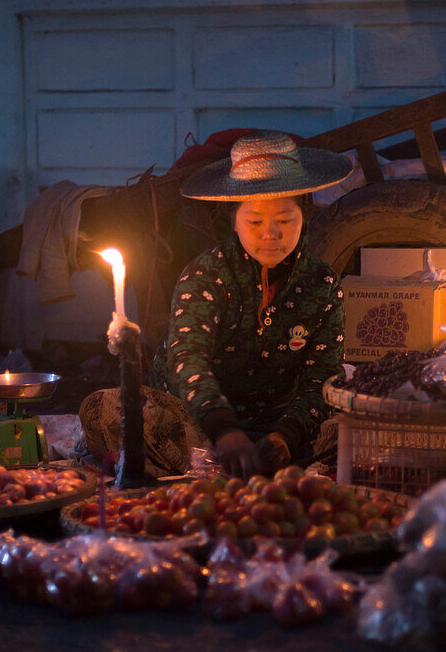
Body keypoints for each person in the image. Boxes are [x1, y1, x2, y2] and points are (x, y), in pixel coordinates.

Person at [151, 130, 353, 477]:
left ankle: (265, 464)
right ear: (233, 219)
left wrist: (286, 435)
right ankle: (210, 465)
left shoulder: (323, 284)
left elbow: (322, 375)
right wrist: (224, 431)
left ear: (305, 214)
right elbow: (188, 359)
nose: (270, 234)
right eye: (255, 221)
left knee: (349, 428)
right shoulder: (204, 276)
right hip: (198, 422)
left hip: (276, 424)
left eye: (285, 220)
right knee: (111, 411)